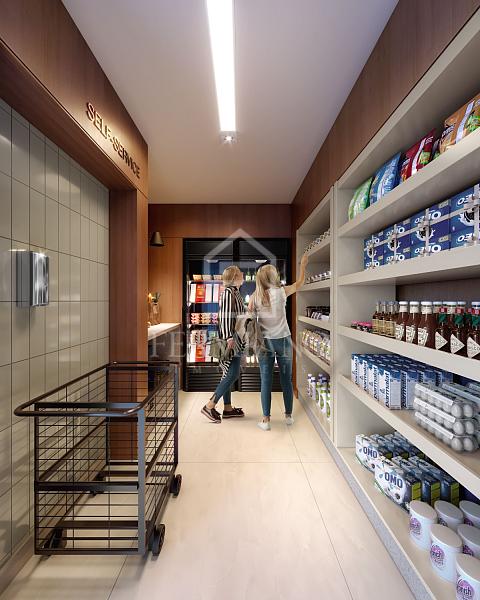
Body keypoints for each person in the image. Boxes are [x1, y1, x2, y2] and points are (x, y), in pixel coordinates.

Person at [249, 254, 308, 431]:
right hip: (283, 339)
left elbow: (249, 319)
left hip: (264, 342)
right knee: (286, 379)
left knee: (266, 380)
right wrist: (303, 265)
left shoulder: (255, 296)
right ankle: (288, 416)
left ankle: (266, 420)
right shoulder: (282, 291)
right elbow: (300, 283)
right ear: (274, 277)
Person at [201, 265, 246, 423]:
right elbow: (226, 316)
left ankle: (227, 408)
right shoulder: (228, 292)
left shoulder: (234, 292)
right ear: (234, 277)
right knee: (232, 373)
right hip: (231, 338)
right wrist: (228, 337)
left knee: (228, 372)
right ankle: (209, 406)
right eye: (240, 273)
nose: (243, 274)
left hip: (235, 337)